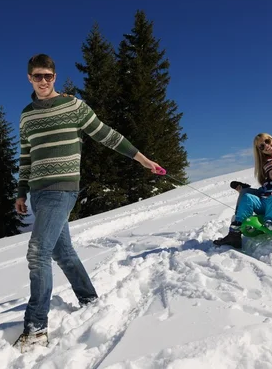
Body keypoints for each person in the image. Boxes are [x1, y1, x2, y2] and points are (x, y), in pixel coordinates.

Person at [13, 54, 164, 352]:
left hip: (63, 188)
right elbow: (26, 157)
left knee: (37, 251)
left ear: (55, 77)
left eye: (48, 76)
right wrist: (21, 192)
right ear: (29, 78)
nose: (44, 81)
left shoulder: (73, 106)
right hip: (38, 193)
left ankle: (36, 326)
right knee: (61, 250)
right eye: (38, 76)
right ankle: (89, 299)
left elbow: (107, 135)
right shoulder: (26, 115)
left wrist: (142, 159)